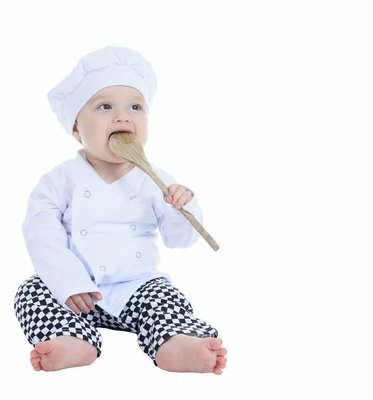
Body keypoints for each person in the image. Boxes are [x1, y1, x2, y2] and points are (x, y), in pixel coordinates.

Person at [14, 46, 227, 374]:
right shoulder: (59, 181)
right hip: (76, 294)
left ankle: (176, 343)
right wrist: (68, 283)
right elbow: (41, 233)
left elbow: (179, 239)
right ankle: (73, 340)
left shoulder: (155, 180)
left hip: (138, 288)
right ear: (76, 128)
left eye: (135, 106)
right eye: (105, 106)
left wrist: (183, 207)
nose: (123, 116)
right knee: (31, 292)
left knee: (166, 299)